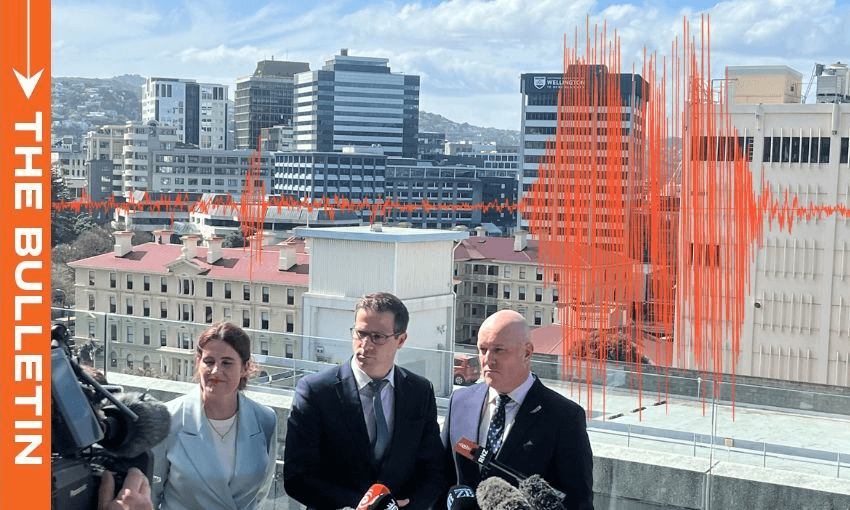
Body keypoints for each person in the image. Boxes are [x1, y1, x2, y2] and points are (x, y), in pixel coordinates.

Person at [284, 292, 445, 510]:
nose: (365, 345)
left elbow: (433, 469)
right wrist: (366, 507)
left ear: (401, 339)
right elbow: (297, 477)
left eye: (377, 337)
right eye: (360, 334)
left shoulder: (420, 391)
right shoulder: (316, 391)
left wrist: (406, 506)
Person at [442, 310, 594, 510]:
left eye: (499, 350)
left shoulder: (564, 417)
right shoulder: (460, 402)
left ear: (527, 352)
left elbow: (578, 501)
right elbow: (440, 474)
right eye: (483, 349)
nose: (488, 359)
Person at [150, 322, 277, 509]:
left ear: (245, 368)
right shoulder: (168, 419)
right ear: (197, 363)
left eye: (227, 362)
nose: (216, 371)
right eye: (209, 362)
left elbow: (261, 491)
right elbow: (150, 495)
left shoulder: (265, 420)